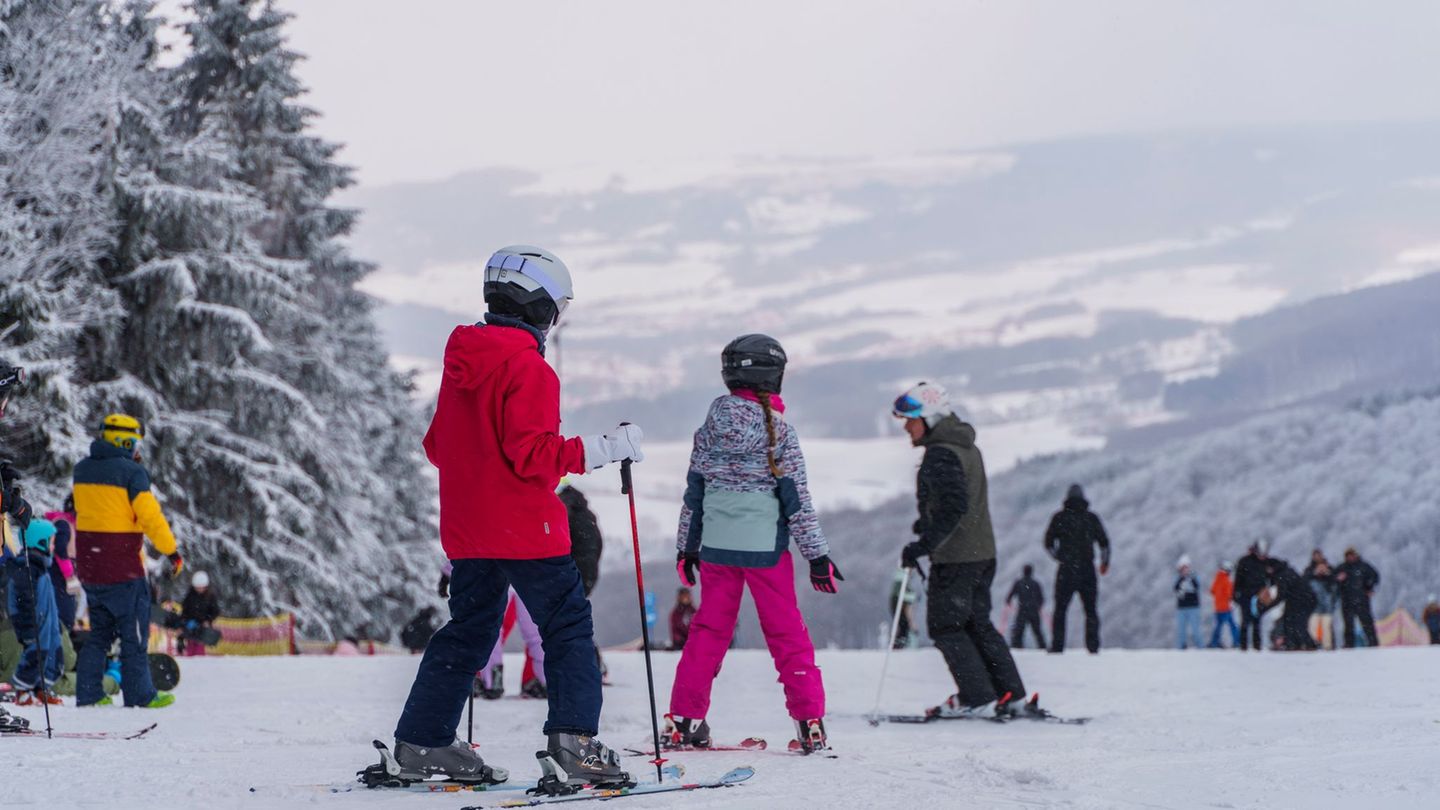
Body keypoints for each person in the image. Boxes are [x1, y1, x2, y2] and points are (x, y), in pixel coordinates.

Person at [387, 245, 640, 788]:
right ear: (541, 308)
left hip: (468, 528)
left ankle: (423, 742)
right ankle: (576, 747)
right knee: (567, 626)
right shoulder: (529, 368)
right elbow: (533, 455)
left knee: (470, 631)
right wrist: (600, 448)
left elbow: (437, 447)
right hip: (527, 527)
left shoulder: (462, 364)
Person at [667, 334, 840, 754]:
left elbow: (695, 495)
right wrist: (817, 556)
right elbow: (797, 502)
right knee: (786, 633)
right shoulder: (780, 431)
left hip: (717, 550)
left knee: (708, 631)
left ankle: (684, 720)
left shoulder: (706, 431)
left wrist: (686, 548)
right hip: (767, 552)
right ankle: (809, 722)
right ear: (774, 376)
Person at [893, 381, 1036, 720]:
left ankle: (976, 697)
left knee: (947, 626)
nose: (905, 426)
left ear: (929, 418)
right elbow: (957, 503)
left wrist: (923, 545)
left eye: (910, 419)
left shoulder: (941, 452)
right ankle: (1009, 694)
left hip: (957, 557)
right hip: (982, 552)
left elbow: (953, 507)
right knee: (976, 624)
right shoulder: (964, 446)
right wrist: (925, 528)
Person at [72, 414, 180, 708]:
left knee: (99, 635)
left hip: (91, 568)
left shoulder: (81, 470)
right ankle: (141, 695)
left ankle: (90, 694)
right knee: (133, 636)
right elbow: (150, 517)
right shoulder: (132, 473)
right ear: (126, 441)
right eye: (135, 443)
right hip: (122, 567)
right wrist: (171, 551)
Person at [1044, 483, 1110, 654]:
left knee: (1060, 609)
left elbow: (1048, 542)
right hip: (1087, 569)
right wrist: (1104, 563)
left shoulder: (1059, 517)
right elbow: (1104, 544)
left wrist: (1058, 556)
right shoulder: (1091, 518)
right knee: (1090, 610)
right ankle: (1093, 646)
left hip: (1066, 569)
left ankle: (1058, 646)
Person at [5, 519, 64, 704]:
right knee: (35, 655)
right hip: (34, 624)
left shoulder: (42, 568)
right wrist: (27, 627)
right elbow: (23, 604)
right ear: (41, 542)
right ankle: (22, 690)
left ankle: (41, 688)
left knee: (54, 655)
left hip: (48, 624)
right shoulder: (27, 569)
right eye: (52, 541)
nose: (54, 546)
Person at [558, 478, 607, 684]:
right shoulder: (585, 512)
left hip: (571, 574)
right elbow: (598, 544)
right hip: (587, 574)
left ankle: (587, 666)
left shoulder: (563, 510)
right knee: (572, 619)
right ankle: (592, 665)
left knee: (566, 622)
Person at [1259, 557, 1317, 651]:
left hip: (1303, 600)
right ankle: (1295, 644)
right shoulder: (1285, 571)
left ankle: (1307, 644)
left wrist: (1265, 608)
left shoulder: (1282, 575)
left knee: (1297, 623)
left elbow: (1281, 596)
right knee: (1290, 620)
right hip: (1300, 600)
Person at [42, 497, 79, 633]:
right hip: (59, 575)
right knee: (64, 616)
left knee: (66, 614)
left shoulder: (70, 523)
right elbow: (60, 549)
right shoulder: (64, 523)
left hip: (63, 576)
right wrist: (69, 574)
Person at [1333, 546, 1379, 648]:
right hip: (1347, 600)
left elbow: (1374, 576)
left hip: (1362, 599)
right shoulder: (1342, 568)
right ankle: (1349, 644)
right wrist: (1338, 579)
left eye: (1352, 555)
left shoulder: (1363, 566)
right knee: (1348, 624)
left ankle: (1373, 643)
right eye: (1348, 556)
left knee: (1367, 623)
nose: (1350, 558)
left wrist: (1369, 588)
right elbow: (1332, 579)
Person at [1233, 541, 1270, 652]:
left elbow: (1268, 578)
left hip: (1258, 596)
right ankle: (1243, 645)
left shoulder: (1265, 563)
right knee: (1245, 620)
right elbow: (1238, 579)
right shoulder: (1244, 561)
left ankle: (1256, 645)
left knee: (1257, 620)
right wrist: (1236, 594)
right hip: (1245, 595)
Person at [1303, 550, 1339, 650]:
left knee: (1326, 626)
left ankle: (1327, 646)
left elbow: (1335, 584)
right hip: (1313, 604)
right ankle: (1312, 644)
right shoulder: (1309, 570)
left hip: (1327, 605)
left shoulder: (1330, 570)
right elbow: (1303, 581)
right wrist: (1314, 574)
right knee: (1313, 626)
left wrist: (1327, 574)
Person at [178, 571, 221, 656]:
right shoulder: (189, 596)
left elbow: (215, 611)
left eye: (202, 588)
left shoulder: (210, 597)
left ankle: (199, 661)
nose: (200, 589)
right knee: (191, 644)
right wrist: (184, 622)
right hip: (191, 625)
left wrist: (208, 620)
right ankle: (190, 659)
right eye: (198, 587)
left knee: (199, 646)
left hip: (203, 626)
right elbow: (185, 611)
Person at [1005, 564, 1046, 649]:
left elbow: (1010, 595)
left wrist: (1008, 601)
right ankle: (1042, 646)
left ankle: (1017, 646)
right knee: (1037, 631)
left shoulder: (1019, 583)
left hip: (1022, 610)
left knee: (1019, 630)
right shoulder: (1036, 584)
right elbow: (1041, 598)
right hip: (1033, 610)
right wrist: (1038, 606)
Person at [1208, 561, 1239, 648]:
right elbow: (1230, 594)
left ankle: (1214, 642)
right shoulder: (1227, 580)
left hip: (1217, 607)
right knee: (1233, 625)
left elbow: (1212, 591)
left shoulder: (1217, 578)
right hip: (1226, 607)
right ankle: (1237, 642)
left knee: (1218, 626)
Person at [1174, 556, 1202, 650]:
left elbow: (1197, 587)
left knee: (1196, 629)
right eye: (1183, 568)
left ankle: (1200, 647)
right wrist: (1181, 580)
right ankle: (1181, 646)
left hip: (1193, 607)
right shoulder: (1178, 578)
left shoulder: (1194, 577)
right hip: (1181, 608)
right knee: (1181, 629)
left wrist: (1190, 579)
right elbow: (1175, 589)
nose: (1185, 570)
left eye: (1186, 567)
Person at [889, 568, 919, 649]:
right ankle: (900, 642)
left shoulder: (903, 581)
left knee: (903, 624)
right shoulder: (901, 580)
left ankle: (901, 642)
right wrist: (913, 596)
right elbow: (901, 593)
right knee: (903, 624)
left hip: (902, 604)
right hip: (899, 605)